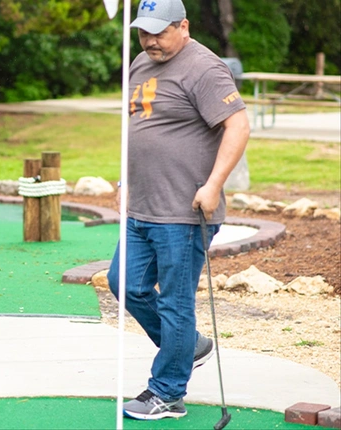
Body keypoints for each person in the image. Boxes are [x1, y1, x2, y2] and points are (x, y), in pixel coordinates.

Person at [106, 0, 250, 421]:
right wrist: (125, 180)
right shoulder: (140, 61)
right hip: (142, 205)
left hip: (185, 209)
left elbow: (238, 125)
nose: (150, 39)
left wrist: (213, 185)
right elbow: (138, 129)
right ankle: (189, 346)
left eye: (159, 31)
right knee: (124, 285)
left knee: (175, 302)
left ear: (183, 26)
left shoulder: (203, 68)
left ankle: (168, 392)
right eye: (144, 31)